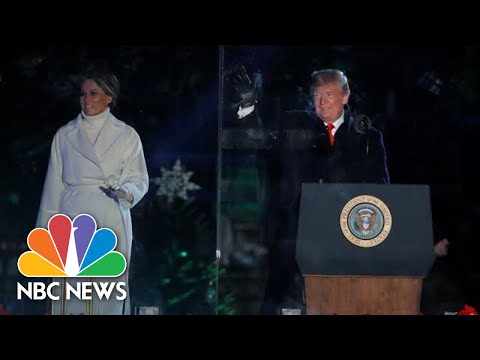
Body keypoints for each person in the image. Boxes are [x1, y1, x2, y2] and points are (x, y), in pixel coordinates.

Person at [234, 67, 390, 314]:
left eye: (329, 94)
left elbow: (382, 191)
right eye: (317, 95)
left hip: (345, 239)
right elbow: (260, 142)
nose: (322, 101)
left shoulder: (368, 138)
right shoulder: (295, 124)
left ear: (345, 96)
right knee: (279, 303)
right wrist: (248, 103)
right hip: (293, 235)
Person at [36, 68, 149, 315]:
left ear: (109, 96)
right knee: (71, 288)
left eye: (94, 93)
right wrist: (43, 233)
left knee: (106, 287)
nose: (86, 100)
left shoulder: (127, 135)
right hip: (72, 217)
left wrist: (126, 192)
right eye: (83, 94)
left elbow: (137, 176)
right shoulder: (65, 135)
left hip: (109, 212)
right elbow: (53, 187)